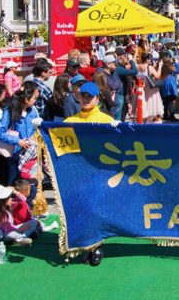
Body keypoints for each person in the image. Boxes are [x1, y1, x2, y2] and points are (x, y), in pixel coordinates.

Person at [59, 82, 115, 266]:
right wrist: (42, 128)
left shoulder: (106, 120)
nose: (86, 99)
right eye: (83, 96)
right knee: (82, 208)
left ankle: (96, 245)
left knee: (95, 207)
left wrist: (119, 129)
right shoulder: (70, 122)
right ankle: (86, 245)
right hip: (78, 174)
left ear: (97, 99)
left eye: (90, 96)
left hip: (100, 172)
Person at [0, 82, 39, 186]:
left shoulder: (32, 111)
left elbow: (37, 128)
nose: (35, 101)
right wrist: (18, 141)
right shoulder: (10, 111)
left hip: (30, 155)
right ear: (26, 100)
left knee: (30, 186)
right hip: (15, 155)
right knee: (14, 184)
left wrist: (35, 135)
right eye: (34, 99)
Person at [135, 53, 164, 123]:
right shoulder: (149, 67)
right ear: (147, 59)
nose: (150, 60)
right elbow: (157, 76)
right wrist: (160, 67)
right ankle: (147, 122)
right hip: (150, 88)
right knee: (150, 106)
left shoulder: (137, 67)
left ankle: (142, 121)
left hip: (141, 87)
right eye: (150, 59)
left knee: (143, 105)